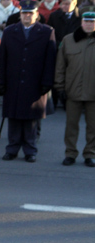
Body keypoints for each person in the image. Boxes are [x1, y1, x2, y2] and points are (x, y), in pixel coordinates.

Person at [0, 0, 57, 163]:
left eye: (30, 13)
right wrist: (0, 80)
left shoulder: (46, 31)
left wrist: (47, 82)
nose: (27, 16)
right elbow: (2, 58)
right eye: (24, 13)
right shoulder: (10, 31)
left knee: (31, 118)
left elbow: (50, 59)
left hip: (35, 81)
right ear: (20, 14)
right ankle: (12, 148)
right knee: (13, 116)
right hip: (13, 80)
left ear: (37, 15)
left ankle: (30, 150)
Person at [55, 10, 95, 167]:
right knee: (71, 126)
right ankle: (70, 153)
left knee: (93, 127)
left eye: (92, 22)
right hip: (73, 91)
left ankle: (90, 154)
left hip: (93, 92)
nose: (89, 24)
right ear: (81, 22)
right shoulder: (69, 40)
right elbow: (60, 65)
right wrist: (59, 86)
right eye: (86, 21)